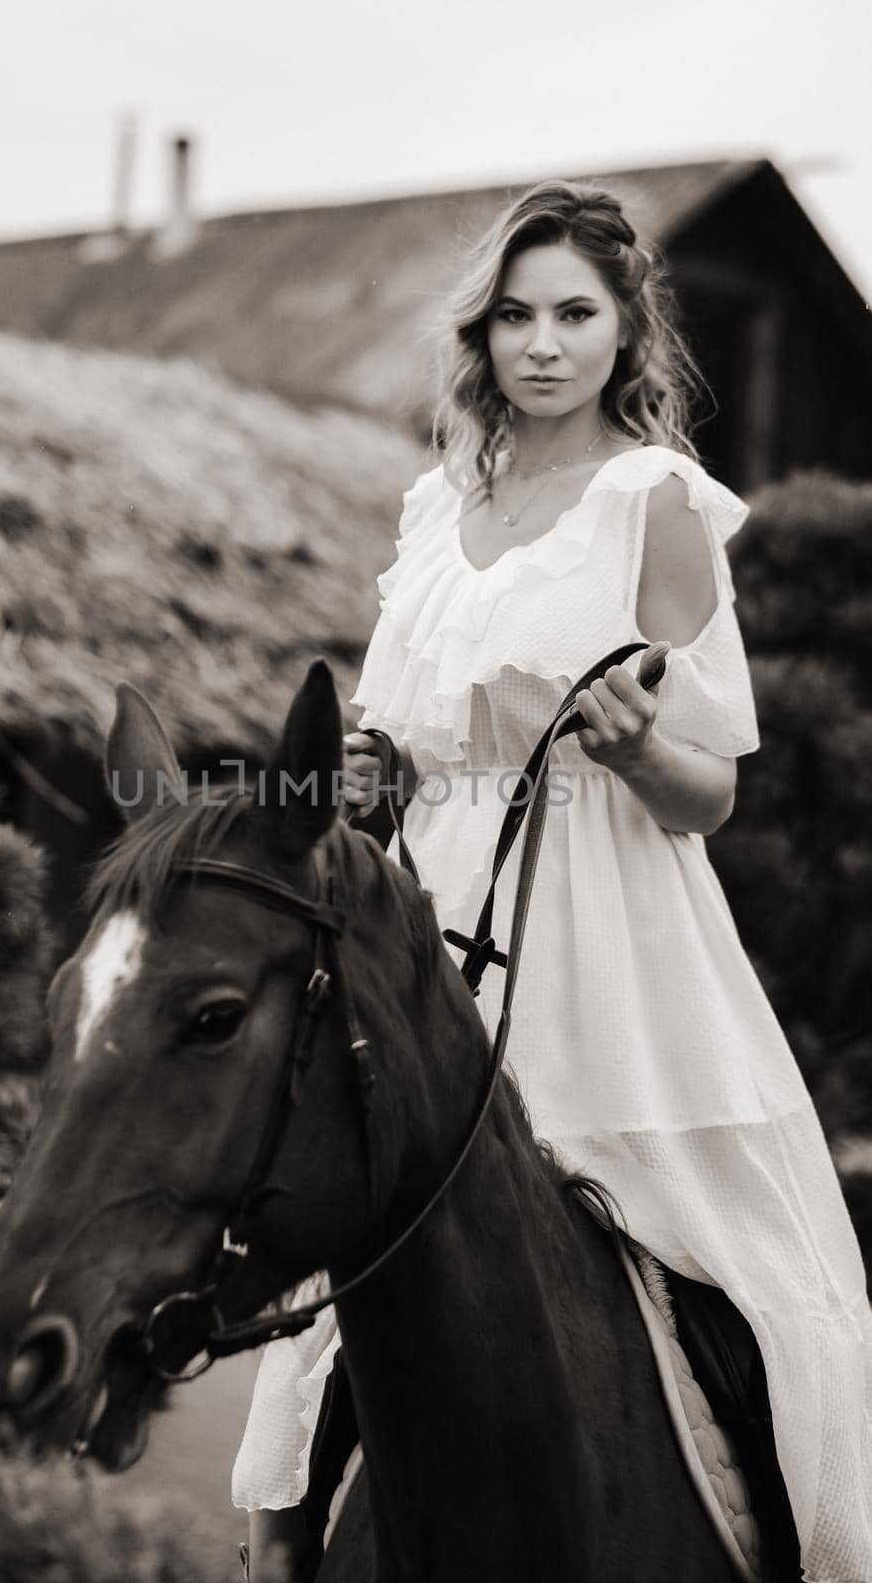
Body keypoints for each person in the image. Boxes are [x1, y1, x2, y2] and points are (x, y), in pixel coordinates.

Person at [232, 179, 872, 1582]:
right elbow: (408, 746)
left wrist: (644, 751)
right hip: (428, 920)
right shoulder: (431, 510)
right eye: (515, 314)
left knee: (751, 1278)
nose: (542, 343)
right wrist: (366, 782)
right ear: (482, 334)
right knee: (372, 1245)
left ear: (626, 328)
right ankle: (289, 1540)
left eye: (575, 313)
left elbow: (714, 789)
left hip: (611, 930)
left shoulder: (656, 506)